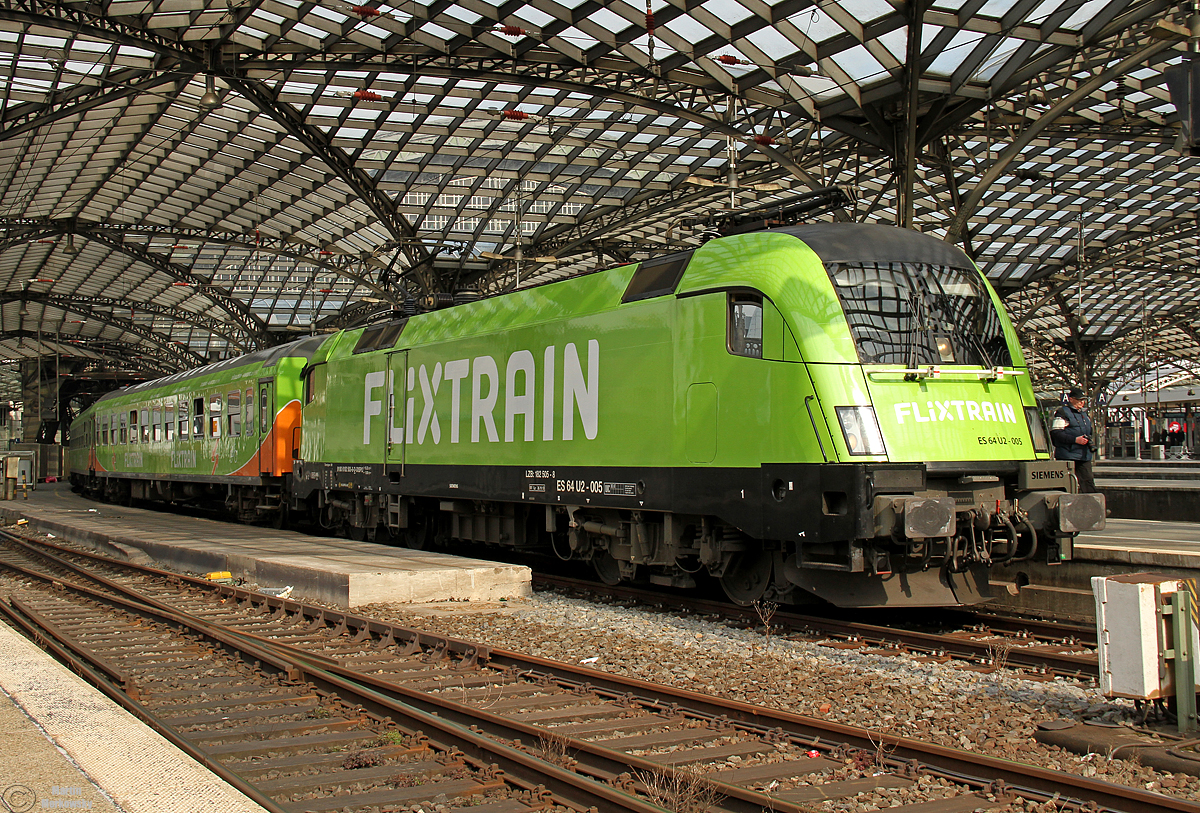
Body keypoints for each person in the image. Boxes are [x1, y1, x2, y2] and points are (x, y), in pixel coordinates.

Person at [1050, 387, 1097, 493]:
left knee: (1088, 482)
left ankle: (1091, 501)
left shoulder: (1084, 414)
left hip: (1083, 455)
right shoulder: (1062, 413)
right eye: (1079, 400)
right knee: (1065, 484)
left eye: (1083, 400)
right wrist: (1075, 440)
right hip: (1067, 455)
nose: (1082, 402)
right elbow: (1056, 433)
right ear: (1071, 399)